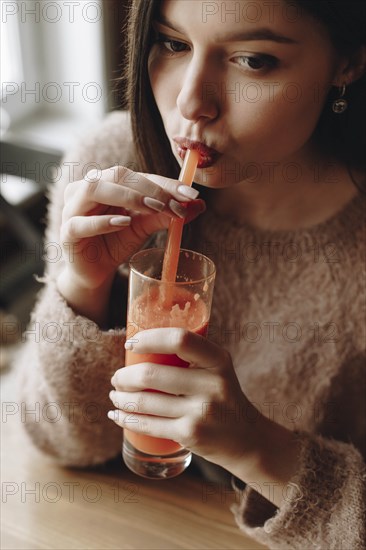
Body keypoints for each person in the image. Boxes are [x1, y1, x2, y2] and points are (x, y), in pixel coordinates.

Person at [20, 1, 366, 548]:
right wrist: (84, 288)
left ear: (348, 62)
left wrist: (262, 449)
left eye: (253, 60)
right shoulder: (114, 164)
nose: (190, 102)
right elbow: (62, 444)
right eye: (174, 44)